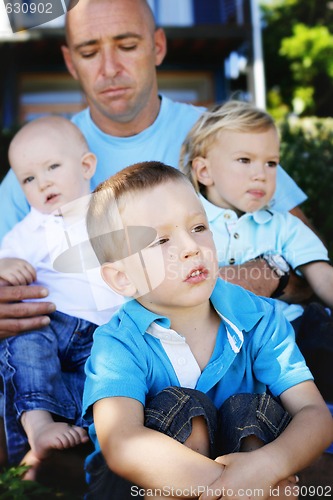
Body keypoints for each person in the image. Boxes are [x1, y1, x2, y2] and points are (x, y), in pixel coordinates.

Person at [0, 0, 313, 339]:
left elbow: (311, 268)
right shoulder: (42, 165)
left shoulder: (221, 138)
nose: (109, 68)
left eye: (128, 46)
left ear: (158, 46)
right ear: (70, 62)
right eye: (89, 52)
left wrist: (255, 276)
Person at [82, 160, 332, 500]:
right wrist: (242, 488)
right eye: (162, 240)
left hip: (255, 476)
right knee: (181, 406)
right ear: (122, 277)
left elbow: (313, 413)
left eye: (199, 227)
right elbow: (122, 443)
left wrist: (268, 467)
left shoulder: (258, 317)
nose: (190, 247)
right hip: (134, 489)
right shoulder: (118, 344)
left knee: (250, 410)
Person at [179, 99, 333, 401]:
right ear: (205, 171)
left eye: (271, 163)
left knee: (321, 334)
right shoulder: (186, 226)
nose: (261, 173)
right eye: (244, 160)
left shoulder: (282, 225)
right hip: (219, 344)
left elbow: (323, 278)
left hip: (291, 333)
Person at [0, 116, 122, 477]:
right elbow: (4, 267)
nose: (43, 182)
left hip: (103, 334)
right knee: (23, 342)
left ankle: (94, 450)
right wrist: (5, 266)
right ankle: (37, 426)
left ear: (87, 166)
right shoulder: (28, 230)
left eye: (53, 166)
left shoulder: (111, 212)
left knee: (109, 383)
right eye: (29, 179)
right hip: (49, 324)